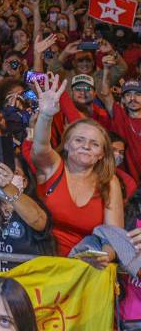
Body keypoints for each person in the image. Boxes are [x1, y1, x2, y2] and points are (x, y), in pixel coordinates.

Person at [30, 73, 123, 258]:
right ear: (66, 144)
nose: (86, 146)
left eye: (94, 144)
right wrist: (46, 115)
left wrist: (103, 258)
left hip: (83, 270)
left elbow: (114, 237)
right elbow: (40, 147)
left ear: (102, 154)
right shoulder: (53, 167)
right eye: (79, 140)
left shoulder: (109, 182)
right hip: (40, 261)